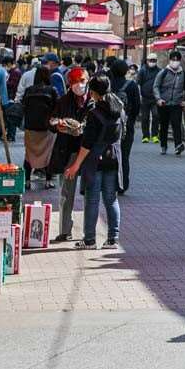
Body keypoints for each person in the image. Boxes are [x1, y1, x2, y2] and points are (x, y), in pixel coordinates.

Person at [64, 73, 123, 249]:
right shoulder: (119, 108)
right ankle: (113, 238)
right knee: (111, 199)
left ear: (94, 92)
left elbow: (87, 143)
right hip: (113, 157)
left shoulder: (95, 113)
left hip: (95, 159)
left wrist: (76, 165)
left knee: (92, 199)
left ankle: (89, 240)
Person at [48, 67, 91, 243]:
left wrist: (83, 128)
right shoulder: (63, 101)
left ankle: (90, 233)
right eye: (74, 82)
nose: (78, 85)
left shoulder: (94, 100)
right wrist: (58, 124)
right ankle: (65, 230)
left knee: (91, 193)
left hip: (89, 151)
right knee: (66, 192)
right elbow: (51, 121)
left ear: (87, 80)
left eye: (81, 81)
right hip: (68, 151)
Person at [20, 56, 60, 190]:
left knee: (29, 155)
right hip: (47, 128)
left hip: (30, 128)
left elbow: (23, 105)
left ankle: (27, 181)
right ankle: (48, 181)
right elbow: (58, 107)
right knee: (48, 154)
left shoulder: (29, 90)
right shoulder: (52, 90)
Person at [106, 57, 140, 195]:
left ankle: (108, 183)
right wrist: (130, 119)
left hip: (108, 125)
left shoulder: (108, 84)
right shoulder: (131, 86)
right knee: (124, 156)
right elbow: (137, 107)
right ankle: (122, 184)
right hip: (126, 126)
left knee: (108, 154)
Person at [155, 50, 185, 155]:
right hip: (164, 104)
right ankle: (163, 145)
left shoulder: (183, 74)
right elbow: (156, 86)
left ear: (180, 61)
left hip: (177, 103)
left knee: (176, 125)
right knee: (164, 126)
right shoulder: (163, 72)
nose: (175, 62)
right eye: (173, 59)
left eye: (177, 60)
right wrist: (158, 99)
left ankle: (178, 145)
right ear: (169, 60)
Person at [137, 54, 161, 143]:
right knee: (145, 118)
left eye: (154, 60)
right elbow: (138, 84)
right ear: (147, 61)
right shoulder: (142, 71)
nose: (152, 62)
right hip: (145, 98)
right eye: (151, 60)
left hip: (156, 98)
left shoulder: (159, 71)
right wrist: (139, 95)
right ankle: (145, 136)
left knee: (156, 116)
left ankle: (155, 135)